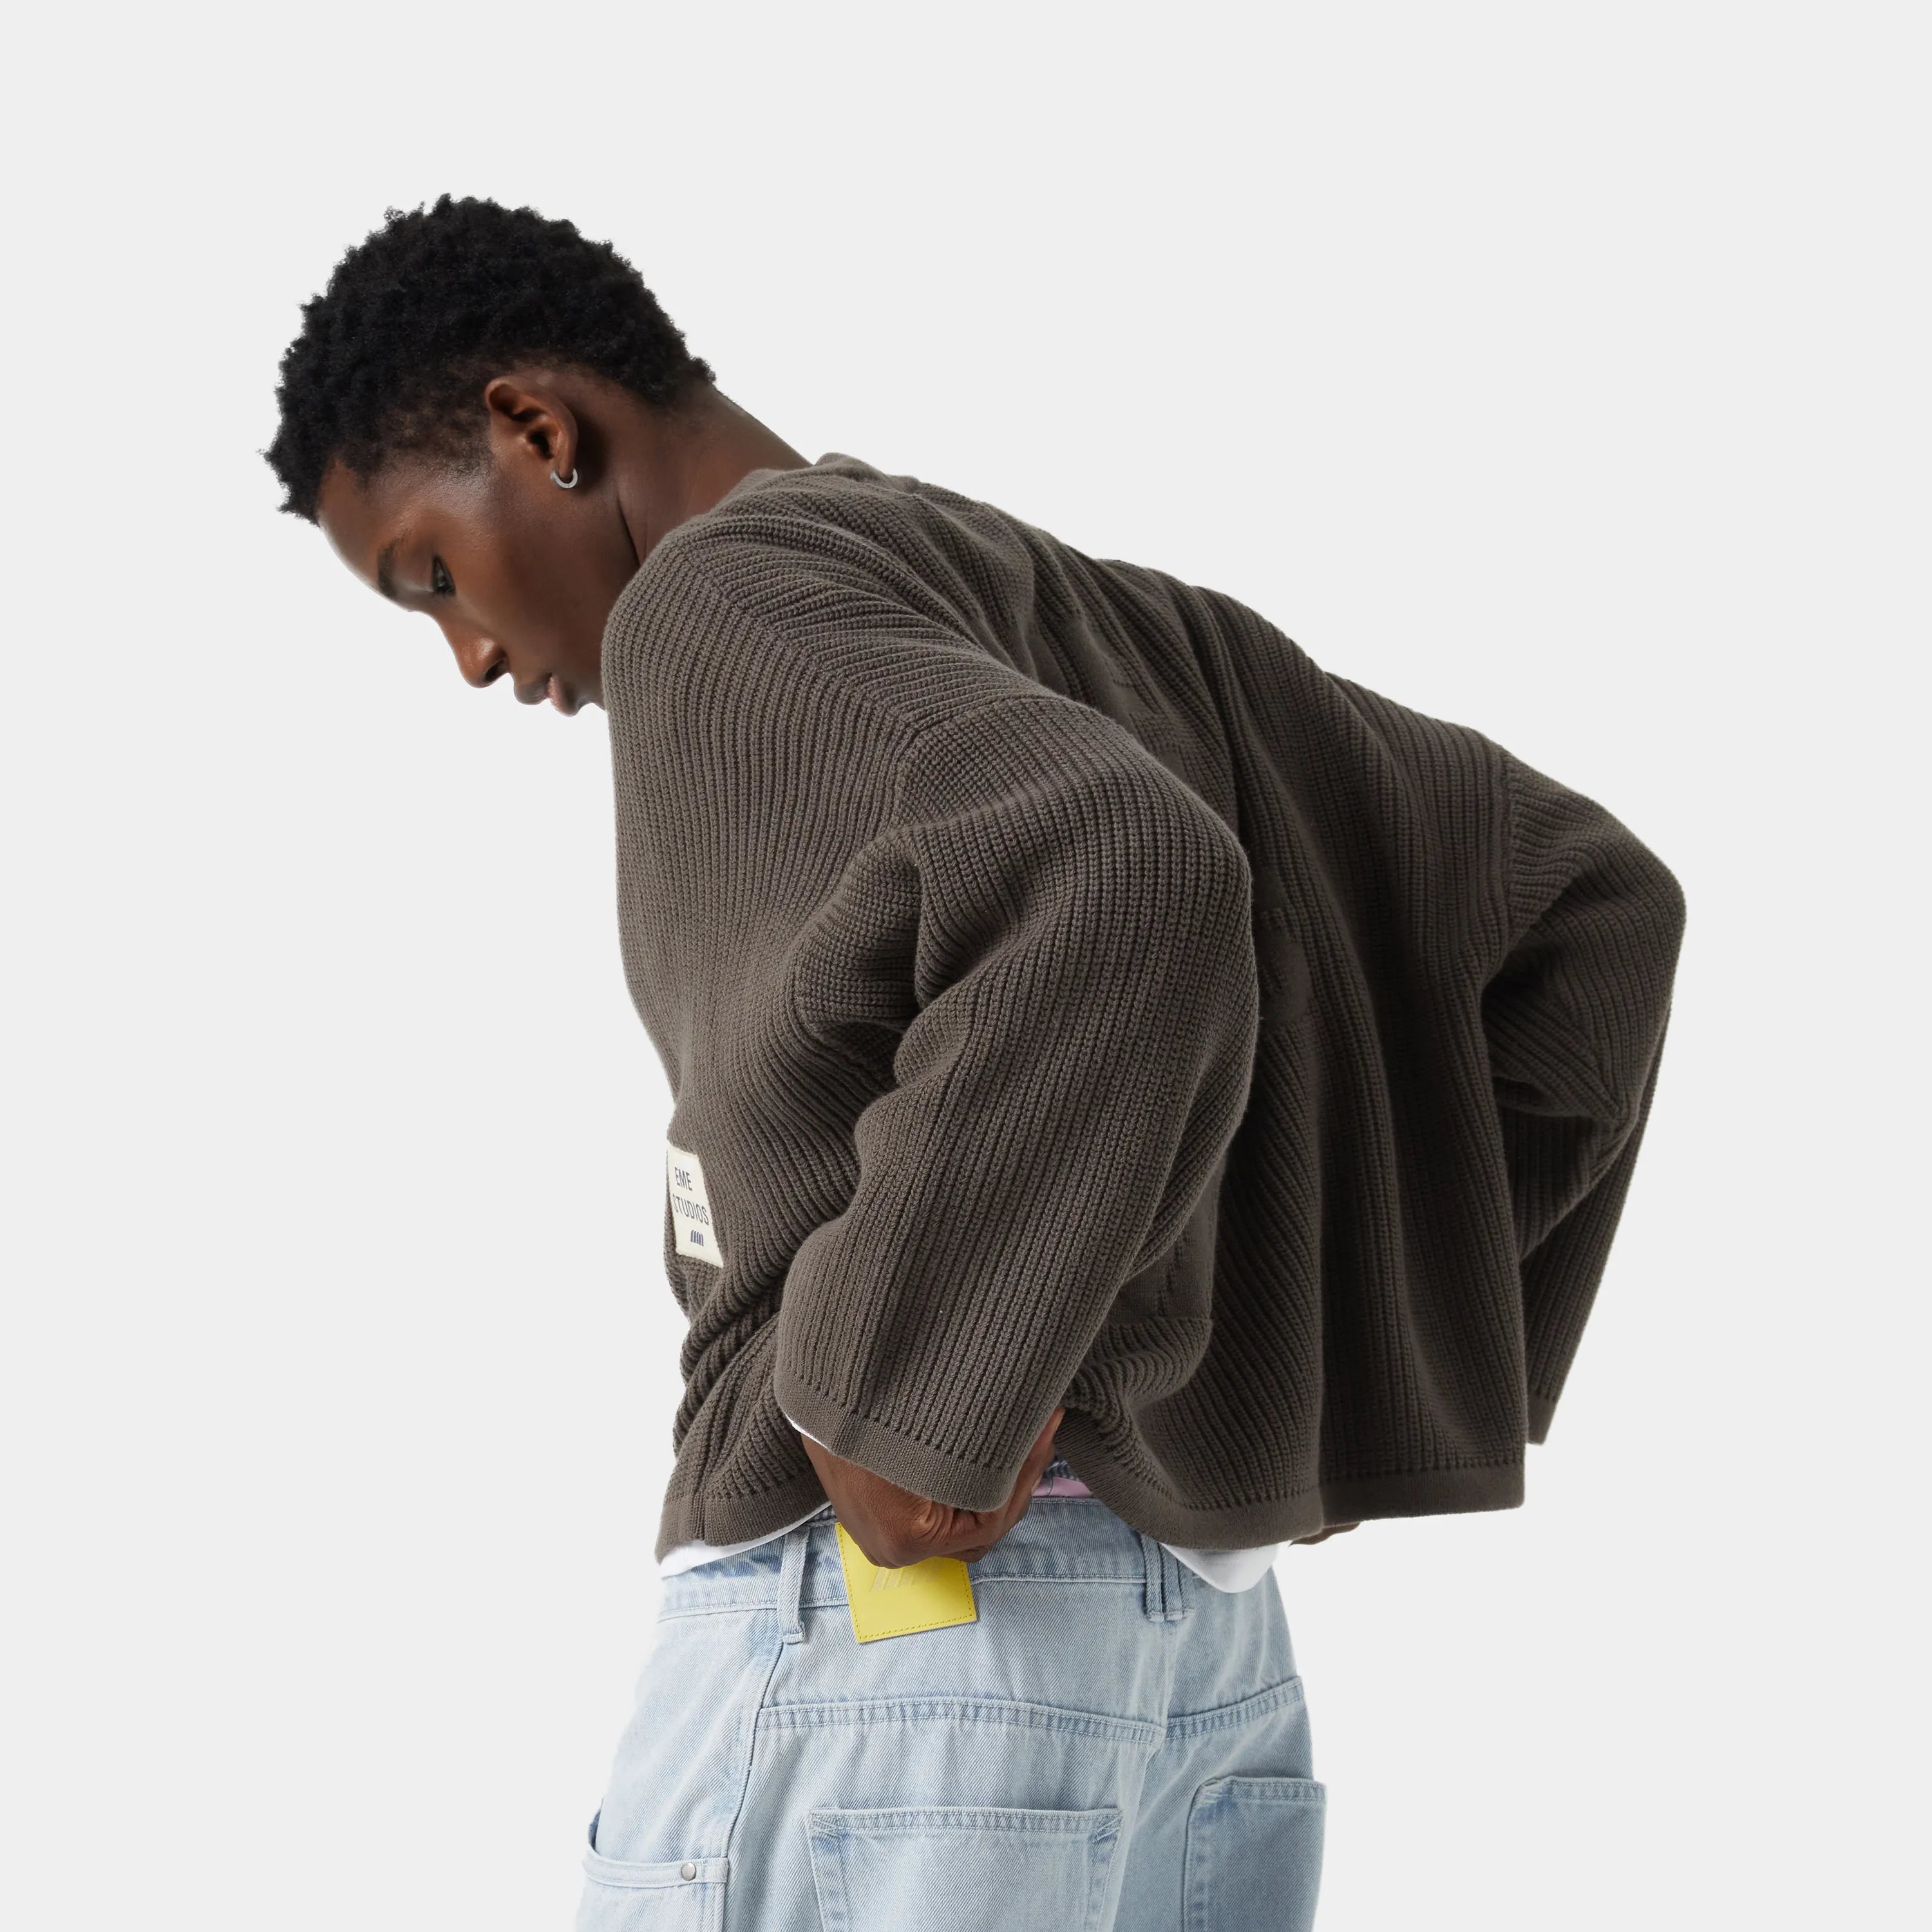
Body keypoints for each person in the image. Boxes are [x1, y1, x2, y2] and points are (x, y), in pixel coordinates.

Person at [266, 195, 1686, 1930]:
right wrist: (1316, 1366)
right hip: (1200, 1661)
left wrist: (913, 1403)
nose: (474, 657)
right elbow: (1587, 913)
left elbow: (1123, 871)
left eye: (431, 575)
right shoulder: (1082, 613)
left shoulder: (721, 597)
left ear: (536, 430)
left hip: (898, 1648)